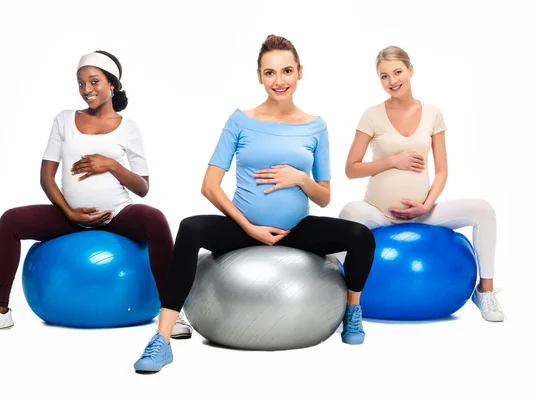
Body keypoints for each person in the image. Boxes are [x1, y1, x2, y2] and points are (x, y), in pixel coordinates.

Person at [133, 35, 376, 373]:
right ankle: (162, 339)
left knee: (361, 236)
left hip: (296, 229)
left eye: (287, 71)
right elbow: (209, 186)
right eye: (270, 73)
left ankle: (352, 311)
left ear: (300, 72)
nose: (279, 81)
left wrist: (301, 179)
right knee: (190, 227)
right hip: (243, 227)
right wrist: (249, 227)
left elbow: (324, 196)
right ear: (259, 76)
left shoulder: (315, 126)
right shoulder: (240, 120)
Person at [0, 50, 192, 339]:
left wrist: (111, 165)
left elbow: (142, 187)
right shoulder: (64, 120)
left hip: (116, 214)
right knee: (10, 221)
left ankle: (172, 313)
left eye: (94, 81)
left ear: (112, 84)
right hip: (70, 215)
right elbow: (46, 176)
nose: (86, 90)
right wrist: (69, 212)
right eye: (80, 83)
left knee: (155, 219)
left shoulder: (129, 129)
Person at [339, 45, 504, 323]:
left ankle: (485, 291)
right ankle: (339, 293)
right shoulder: (371, 115)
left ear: (410, 70)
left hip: (423, 213)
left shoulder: (432, 114)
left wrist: (426, 205)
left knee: (484, 210)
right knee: (350, 213)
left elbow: (442, 171)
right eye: (384, 76)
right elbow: (351, 169)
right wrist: (392, 161)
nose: (392, 81)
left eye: (397, 72)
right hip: (379, 214)